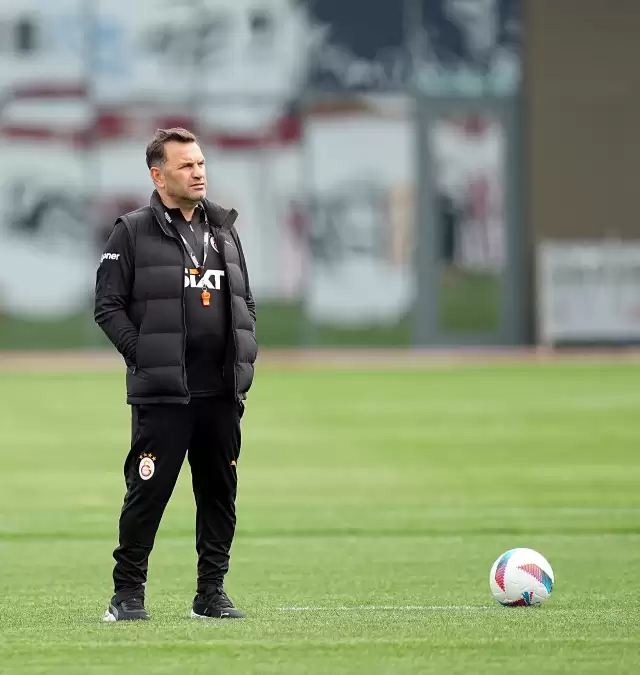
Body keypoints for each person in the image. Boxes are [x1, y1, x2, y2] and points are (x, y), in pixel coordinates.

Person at [94, 128, 257, 621]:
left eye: (201, 163)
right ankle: (127, 595)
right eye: (186, 165)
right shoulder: (131, 231)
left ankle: (211, 594)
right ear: (158, 175)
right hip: (165, 392)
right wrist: (142, 355)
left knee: (220, 496)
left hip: (220, 391)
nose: (198, 172)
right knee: (147, 493)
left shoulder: (224, 229)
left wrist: (245, 355)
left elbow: (245, 301)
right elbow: (107, 306)